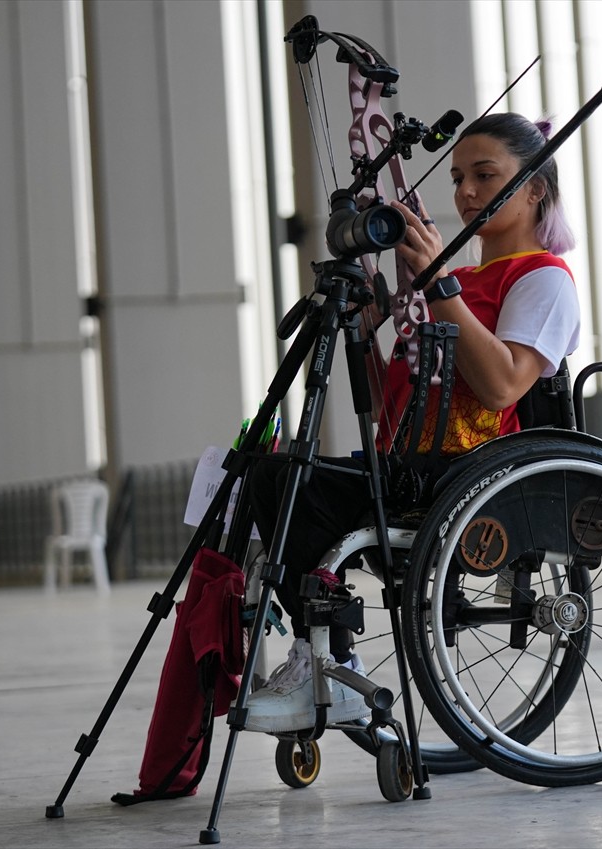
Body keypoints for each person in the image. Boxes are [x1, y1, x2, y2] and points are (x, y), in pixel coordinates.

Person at [243, 113, 582, 733]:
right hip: (410, 465)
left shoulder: (542, 279)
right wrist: (369, 320)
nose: (467, 193)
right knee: (271, 477)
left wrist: (436, 284)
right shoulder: (456, 276)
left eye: (486, 176)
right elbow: (393, 396)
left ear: (535, 188)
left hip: (468, 473)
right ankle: (320, 656)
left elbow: (504, 381)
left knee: (289, 486)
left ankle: (325, 658)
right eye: (458, 178)